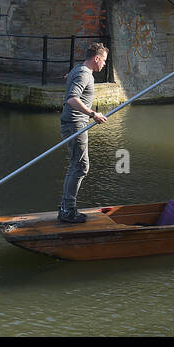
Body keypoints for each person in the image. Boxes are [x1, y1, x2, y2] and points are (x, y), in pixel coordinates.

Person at [58, 42, 108, 223]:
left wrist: (70, 78)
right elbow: (72, 99)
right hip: (75, 124)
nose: (104, 64)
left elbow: (73, 81)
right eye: (103, 60)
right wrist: (93, 114)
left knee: (76, 166)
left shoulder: (78, 70)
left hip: (73, 123)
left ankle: (66, 207)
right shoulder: (83, 73)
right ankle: (67, 209)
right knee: (80, 166)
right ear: (96, 58)